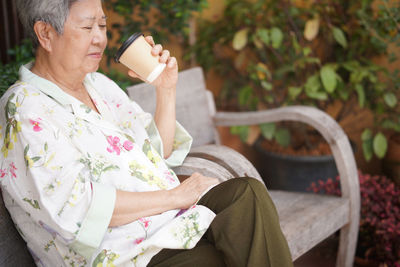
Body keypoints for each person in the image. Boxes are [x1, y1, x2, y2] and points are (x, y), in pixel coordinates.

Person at [0, 0, 293, 266]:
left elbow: (157, 153)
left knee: (246, 195)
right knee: (216, 259)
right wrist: (176, 196)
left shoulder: (99, 85)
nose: (100, 37)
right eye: (88, 26)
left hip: (167, 221)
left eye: (102, 25)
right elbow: (78, 210)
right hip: (123, 253)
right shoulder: (25, 108)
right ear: (46, 34)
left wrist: (166, 88)